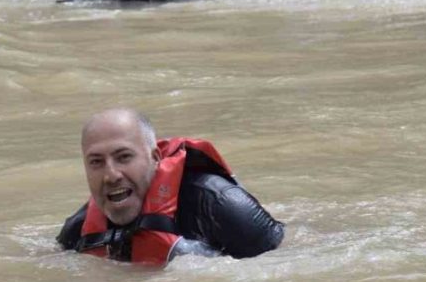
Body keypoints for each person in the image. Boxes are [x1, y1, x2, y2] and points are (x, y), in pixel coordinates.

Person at [57, 108, 284, 265]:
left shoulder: (222, 205)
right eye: (96, 162)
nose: (111, 175)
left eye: (124, 157)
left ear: (155, 158)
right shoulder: (77, 232)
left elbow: (284, 261)